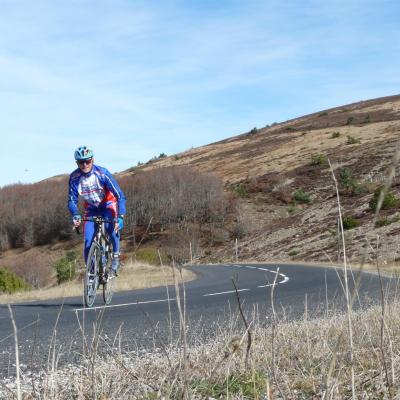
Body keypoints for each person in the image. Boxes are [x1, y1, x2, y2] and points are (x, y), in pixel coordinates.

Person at [68, 146, 126, 275]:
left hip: (108, 204)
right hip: (92, 208)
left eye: (87, 161)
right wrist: (75, 214)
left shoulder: (102, 173)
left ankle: (115, 256)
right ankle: (92, 275)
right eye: (81, 162)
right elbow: (72, 200)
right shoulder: (74, 178)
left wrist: (121, 216)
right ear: (76, 163)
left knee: (110, 227)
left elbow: (120, 195)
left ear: (93, 160)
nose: (85, 165)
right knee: (88, 242)